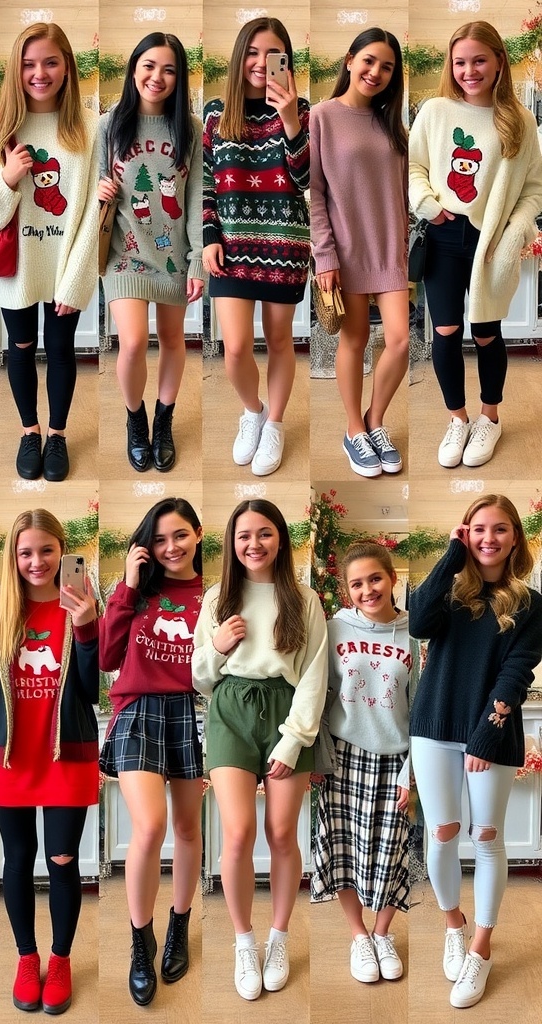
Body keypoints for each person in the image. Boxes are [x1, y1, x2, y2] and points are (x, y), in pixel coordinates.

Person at [409, 494, 542, 1008]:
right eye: (478, 528)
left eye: (500, 528)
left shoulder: (531, 604)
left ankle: (480, 948)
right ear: (465, 533)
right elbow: (418, 623)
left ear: (515, 538)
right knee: (442, 832)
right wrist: (451, 555)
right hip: (434, 725)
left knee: (486, 836)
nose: (489, 538)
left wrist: (487, 732)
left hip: (492, 731)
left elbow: (516, 671)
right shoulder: (449, 591)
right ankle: (453, 924)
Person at [192, 499, 327, 1000]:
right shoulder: (216, 598)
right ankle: (244, 942)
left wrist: (294, 740)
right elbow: (198, 677)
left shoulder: (304, 599)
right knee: (238, 832)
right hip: (230, 709)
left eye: (265, 533)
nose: (254, 544)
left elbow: (314, 676)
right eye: (244, 535)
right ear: (231, 542)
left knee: (281, 832)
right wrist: (218, 646)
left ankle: (279, 939)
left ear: (281, 539)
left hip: (286, 710)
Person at [0, 509, 99, 1014]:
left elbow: (91, 689)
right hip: (8, 761)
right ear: (13, 556)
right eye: (26, 552)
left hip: (67, 757)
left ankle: (60, 960)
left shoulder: (82, 602)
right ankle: (27, 958)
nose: (37, 561)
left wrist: (85, 628)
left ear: (63, 551)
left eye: (47, 550)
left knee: (63, 860)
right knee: (18, 860)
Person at [0, 23, 98, 482]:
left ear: (67, 67)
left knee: (61, 349)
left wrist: (77, 278)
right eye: (28, 64)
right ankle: (30, 432)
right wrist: (6, 178)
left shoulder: (89, 128)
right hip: (14, 269)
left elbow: (93, 212)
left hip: (65, 267)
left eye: (50, 62)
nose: (39, 73)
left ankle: (57, 435)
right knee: (20, 349)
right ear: (15, 70)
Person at [409, 21, 542, 469]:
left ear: (499, 61)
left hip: (493, 241)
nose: (469, 71)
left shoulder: (520, 121)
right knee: (445, 331)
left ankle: (490, 417)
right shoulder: (435, 112)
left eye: (479, 60)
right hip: (443, 234)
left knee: (487, 331)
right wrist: (428, 206)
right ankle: (457, 419)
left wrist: (515, 232)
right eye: (460, 62)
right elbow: (413, 167)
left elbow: (534, 190)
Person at [99, 497, 203, 1006]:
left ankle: (178, 925)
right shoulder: (136, 592)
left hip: (188, 711)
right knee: (149, 827)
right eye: (159, 539)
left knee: (187, 828)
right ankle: (141, 943)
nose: (170, 547)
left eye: (180, 535)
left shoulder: (214, 595)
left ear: (198, 534)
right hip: (138, 710)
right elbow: (105, 657)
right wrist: (128, 584)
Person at [202, 18, 310, 476]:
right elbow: (206, 183)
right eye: (252, 52)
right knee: (235, 347)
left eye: (272, 55)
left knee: (280, 340)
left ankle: (276, 423)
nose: (261, 63)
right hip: (230, 246)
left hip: (284, 243)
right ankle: (253, 411)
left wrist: (290, 120)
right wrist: (209, 235)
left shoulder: (301, 110)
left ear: (286, 61)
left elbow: (306, 179)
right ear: (239, 57)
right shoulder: (215, 113)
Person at [98, 34, 203, 474]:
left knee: (174, 340)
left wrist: (197, 259)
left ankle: (163, 422)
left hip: (174, 254)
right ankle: (135, 421)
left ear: (179, 78)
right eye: (148, 65)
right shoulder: (109, 125)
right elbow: (92, 185)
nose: (157, 77)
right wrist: (98, 191)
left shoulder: (190, 129)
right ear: (134, 68)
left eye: (169, 69)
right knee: (134, 341)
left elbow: (196, 198)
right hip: (124, 252)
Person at [310, 28, 409, 479]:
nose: (376, 72)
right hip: (346, 250)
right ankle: (354, 429)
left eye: (387, 67)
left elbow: (401, 190)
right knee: (354, 340)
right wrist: (325, 256)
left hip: (388, 249)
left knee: (399, 340)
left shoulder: (392, 124)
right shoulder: (321, 116)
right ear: (349, 60)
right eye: (369, 60)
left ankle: (375, 419)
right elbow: (314, 194)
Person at [312, 541, 410, 982]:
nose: (367, 590)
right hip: (342, 755)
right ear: (346, 589)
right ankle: (359, 936)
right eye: (357, 584)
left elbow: (422, 707)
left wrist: (413, 770)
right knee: (342, 850)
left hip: (397, 758)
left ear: (392, 579)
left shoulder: (416, 634)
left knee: (393, 850)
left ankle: (382, 932)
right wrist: (316, 754)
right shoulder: (334, 629)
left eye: (375, 579)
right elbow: (317, 693)